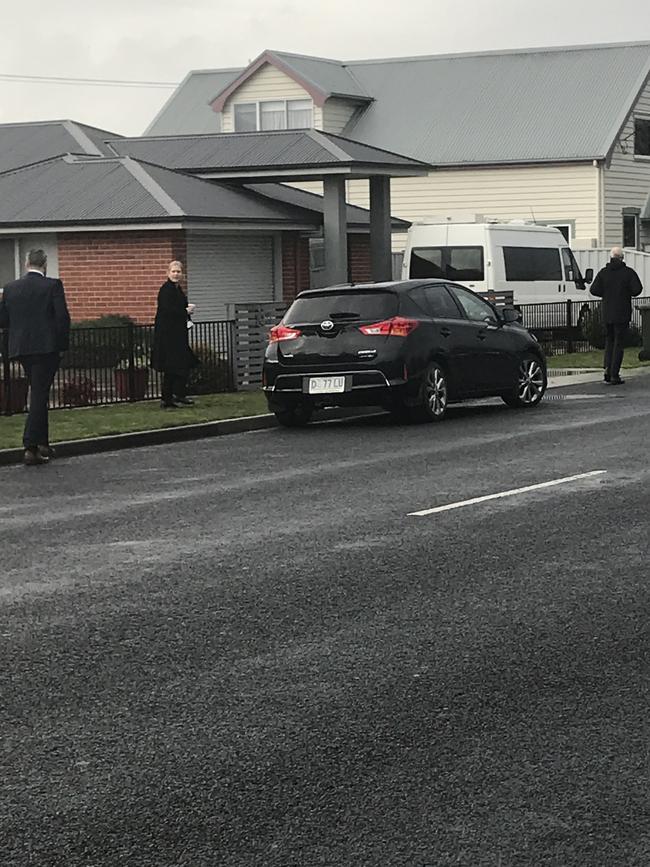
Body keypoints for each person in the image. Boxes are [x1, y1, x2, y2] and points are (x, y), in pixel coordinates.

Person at [0, 249, 70, 465]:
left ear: (26, 263)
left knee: (40, 391)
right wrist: (61, 346)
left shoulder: (11, 288)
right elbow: (62, 318)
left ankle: (42, 443)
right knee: (40, 394)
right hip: (46, 348)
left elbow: (3, 319)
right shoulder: (52, 285)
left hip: (21, 348)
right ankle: (31, 445)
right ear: (44, 264)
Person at [590, 246, 643, 385]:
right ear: (622, 258)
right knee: (619, 343)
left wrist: (606, 293)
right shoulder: (628, 273)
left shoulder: (603, 273)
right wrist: (625, 292)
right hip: (622, 313)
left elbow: (594, 289)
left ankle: (607, 369)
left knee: (609, 341)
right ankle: (614, 374)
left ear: (611, 257)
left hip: (607, 312)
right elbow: (637, 289)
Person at [151, 261, 198, 407]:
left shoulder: (178, 290)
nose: (176, 274)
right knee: (172, 368)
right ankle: (167, 399)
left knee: (183, 366)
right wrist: (184, 311)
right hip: (168, 336)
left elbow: (180, 307)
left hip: (178, 335)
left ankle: (179, 394)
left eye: (178, 272)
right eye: (173, 271)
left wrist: (187, 314)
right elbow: (167, 311)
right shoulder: (166, 290)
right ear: (168, 273)